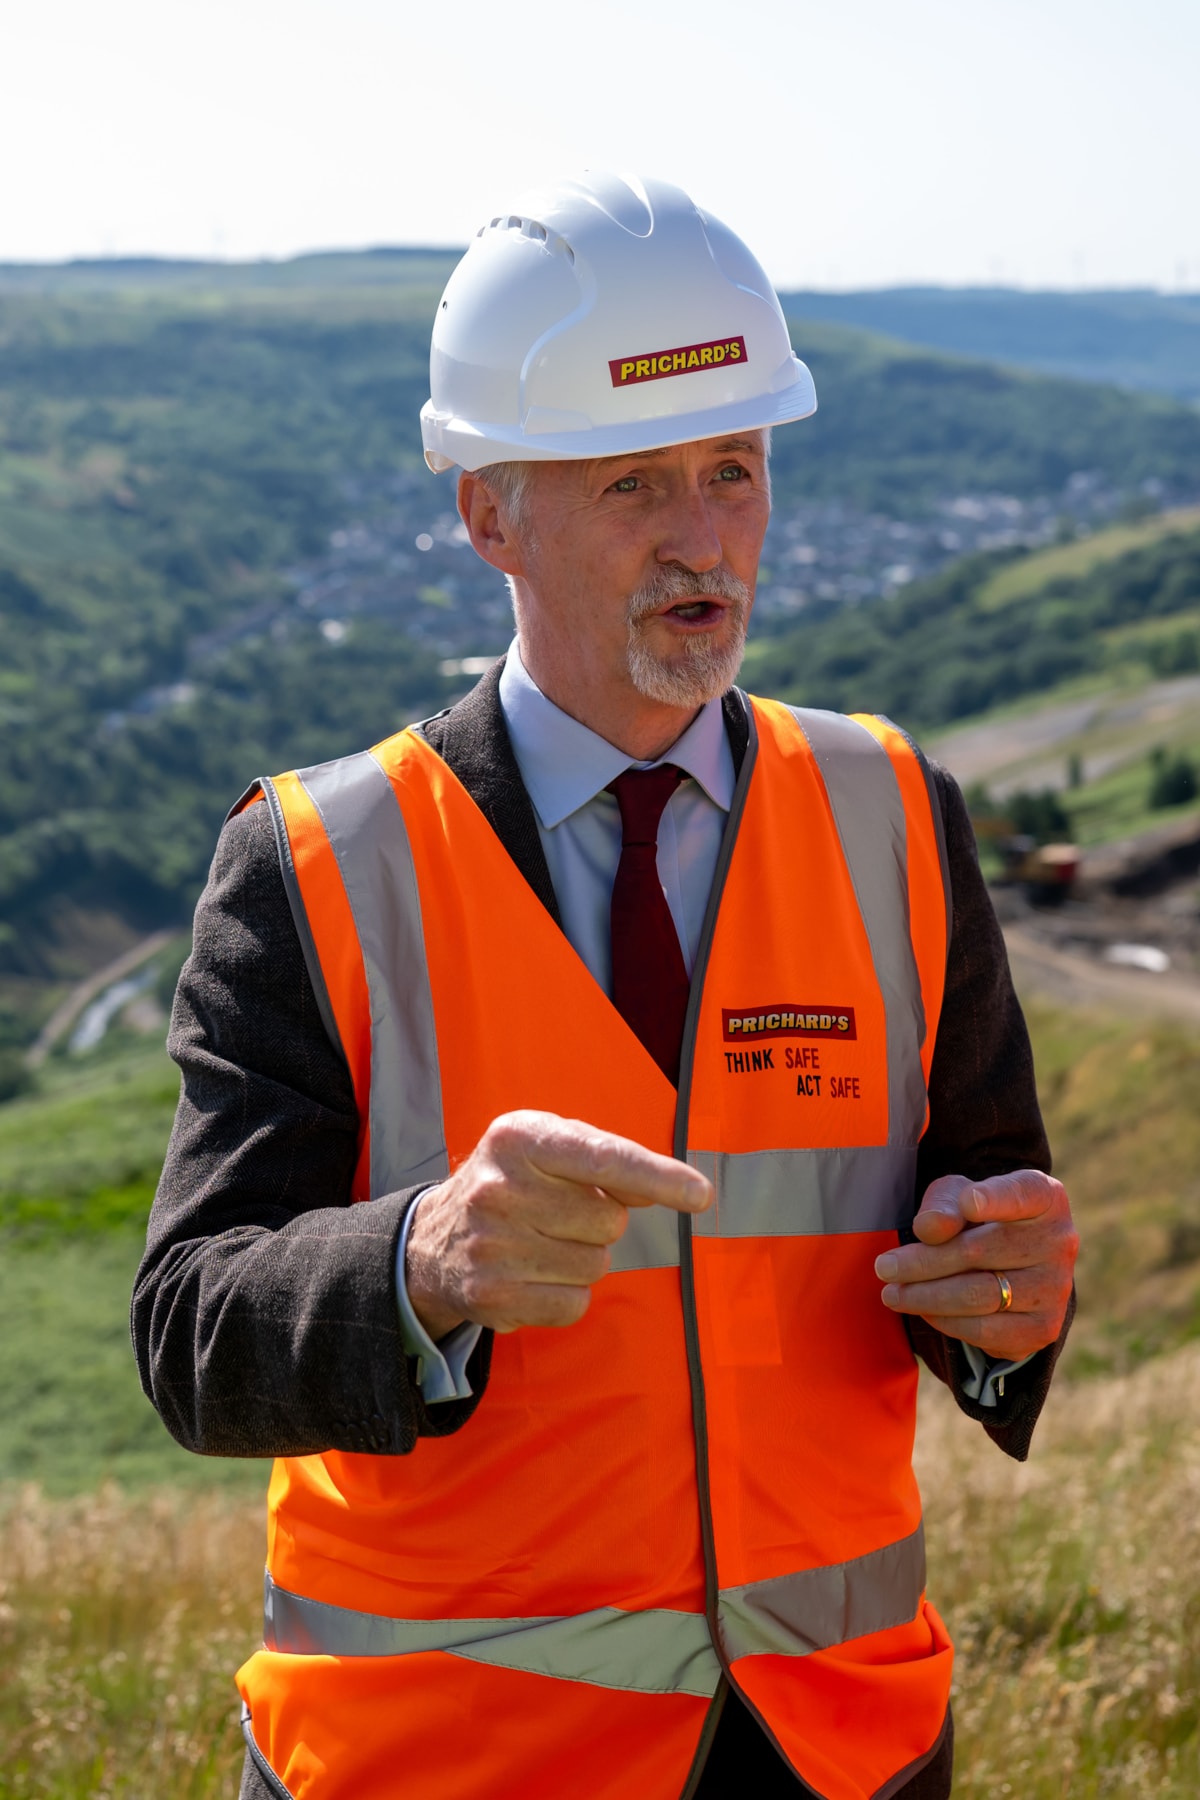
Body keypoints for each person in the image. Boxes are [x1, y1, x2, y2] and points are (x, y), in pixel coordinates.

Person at [133, 172, 1078, 1800]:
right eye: (634, 481)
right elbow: (191, 1332)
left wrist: (1016, 1302)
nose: (703, 538)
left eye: (735, 471)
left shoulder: (894, 811)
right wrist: (415, 1260)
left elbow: (982, 1215)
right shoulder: (314, 864)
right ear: (488, 513)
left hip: (837, 1749)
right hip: (441, 1764)